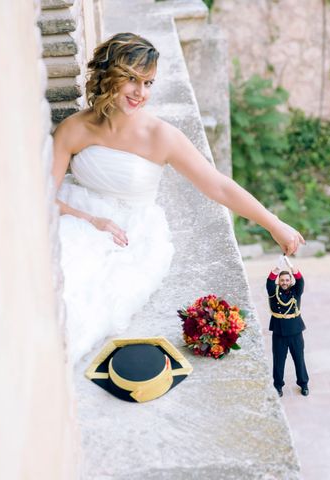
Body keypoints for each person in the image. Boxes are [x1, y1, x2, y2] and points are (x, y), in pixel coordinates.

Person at [52, 32, 305, 365]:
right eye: (131, 80)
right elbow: (42, 197)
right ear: (107, 75)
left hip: (132, 236)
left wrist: (274, 225)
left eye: (148, 83)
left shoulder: (162, 136)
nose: (141, 93)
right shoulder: (73, 129)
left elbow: (219, 187)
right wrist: (89, 220)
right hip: (79, 217)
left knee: (82, 301)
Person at [267, 259, 309, 397]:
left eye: (287, 280)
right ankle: (278, 386)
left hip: (295, 331)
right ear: (279, 282)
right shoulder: (274, 293)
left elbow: (301, 281)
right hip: (279, 331)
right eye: (282, 280)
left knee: (299, 358)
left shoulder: (296, 292)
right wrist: (277, 268)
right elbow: (269, 283)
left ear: (290, 281)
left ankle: (303, 384)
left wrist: (292, 267)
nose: (284, 282)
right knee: (278, 360)